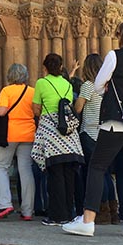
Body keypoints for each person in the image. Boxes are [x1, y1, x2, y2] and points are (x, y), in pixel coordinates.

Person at [62, 20, 123, 239]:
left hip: (116, 120)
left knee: (97, 167)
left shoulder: (115, 55)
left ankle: (87, 220)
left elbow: (97, 85)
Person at [31, 53, 84, 226]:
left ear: (44, 67)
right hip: (68, 133)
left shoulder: (41, 82)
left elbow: (36, 108)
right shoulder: (67, 84)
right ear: (61, 68)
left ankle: (56, 215)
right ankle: (68, 213)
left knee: (55, 175)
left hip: (50, 130)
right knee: (68, 174)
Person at [0, 64, 36, 221]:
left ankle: (4, 203)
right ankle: (28, 210)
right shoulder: (32, 91)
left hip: (10, 134)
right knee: (26, 171)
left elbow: (2, 111)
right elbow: (37, 111)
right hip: (29, 133)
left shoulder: (6, 91)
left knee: (0, 166)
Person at [73, 54, 116, 224]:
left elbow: (78, 108)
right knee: (106, 173)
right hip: (106, 133)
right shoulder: (108, 86)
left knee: (95, 173)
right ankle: (113, 211)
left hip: (89, 133)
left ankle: (101, 211)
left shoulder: (88, 85)